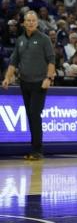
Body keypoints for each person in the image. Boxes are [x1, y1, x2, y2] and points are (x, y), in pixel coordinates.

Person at [2, 11, 56, 160]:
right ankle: (34, 149)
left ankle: (37, 150)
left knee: (34, 114)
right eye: (28, 20)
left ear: (37, 23)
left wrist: (48, 78)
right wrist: (7, 78)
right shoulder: (20, 40)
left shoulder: (44, 39)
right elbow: (14, 62)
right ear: (24, 23)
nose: (31, 23)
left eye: (33, 20)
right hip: (24, 83)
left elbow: (51, 60)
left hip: (40, 83)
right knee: (30, 116)